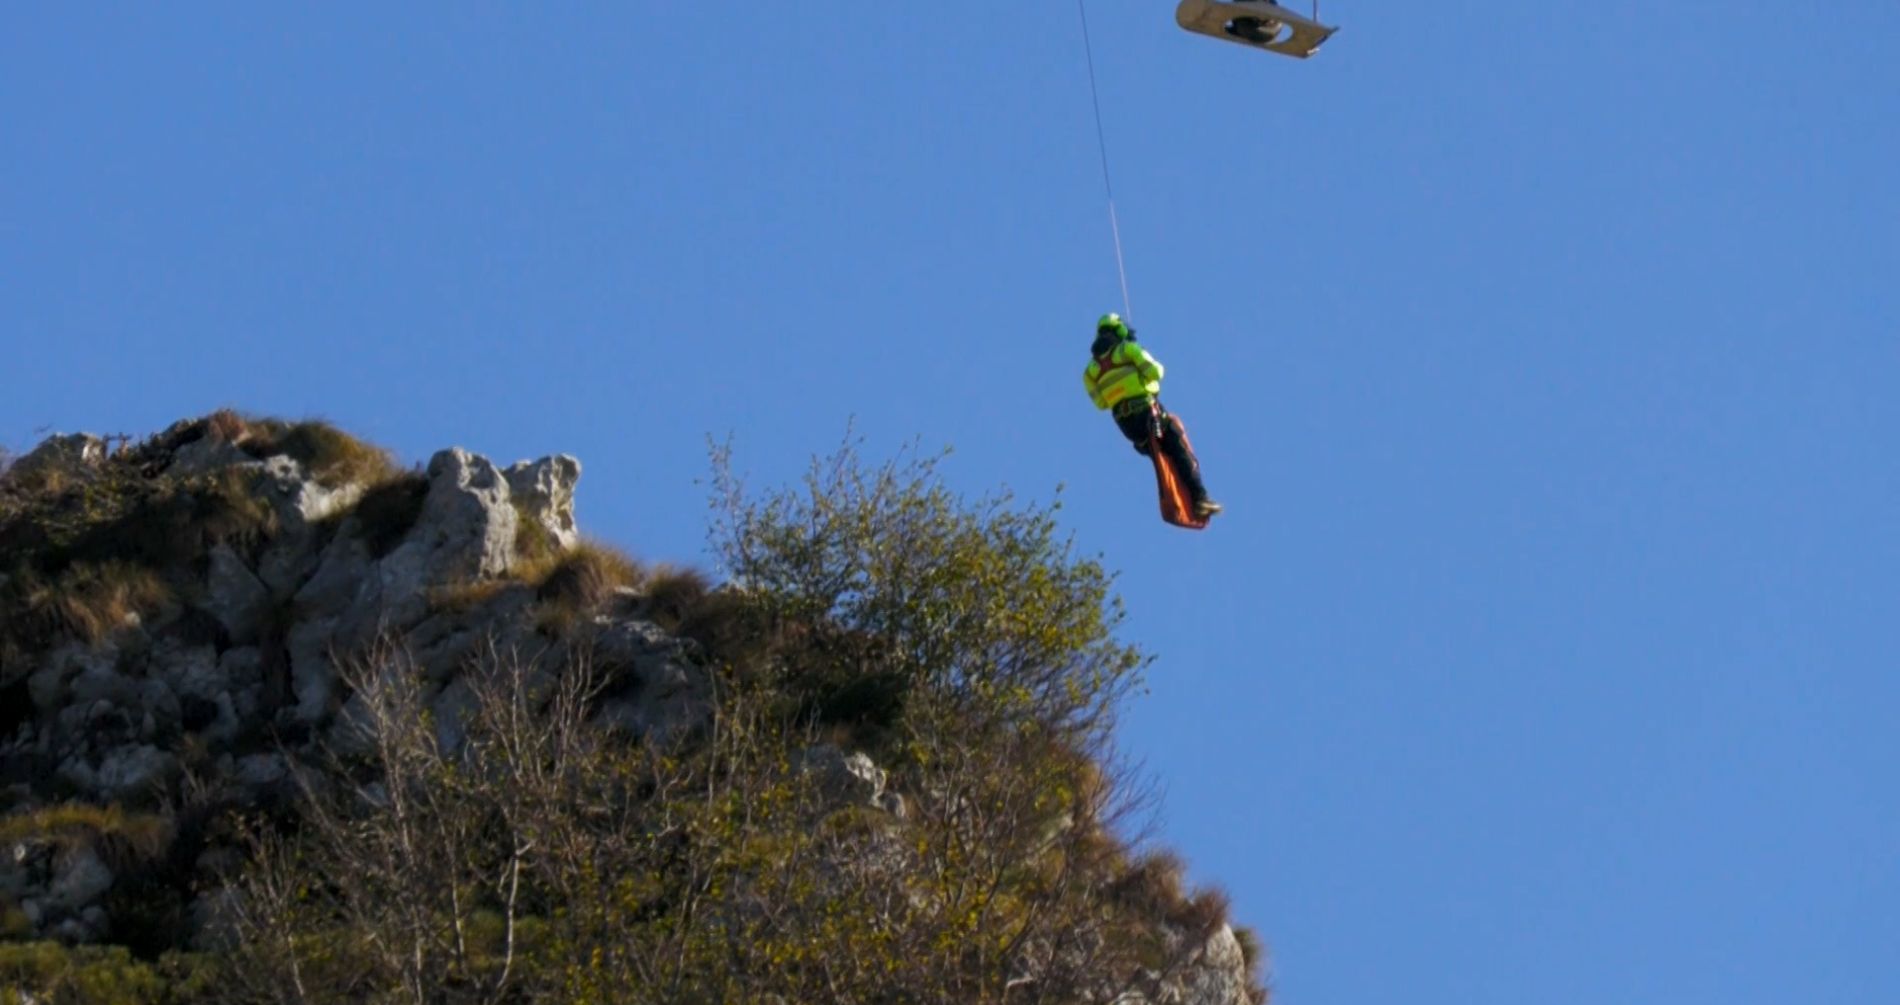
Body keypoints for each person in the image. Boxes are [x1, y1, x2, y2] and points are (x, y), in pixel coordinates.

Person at [1083, 313, 1221, 518]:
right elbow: (1156, 372)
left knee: (1160, 458)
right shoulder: (1128, 349)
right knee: (1177, 447)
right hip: (1148, 413)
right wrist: (1140, 365)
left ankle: (1172, 500)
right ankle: (1200, 499)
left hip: (1128, 428)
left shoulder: (1090, 371)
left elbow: (1101, 404)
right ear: (1119, 330)